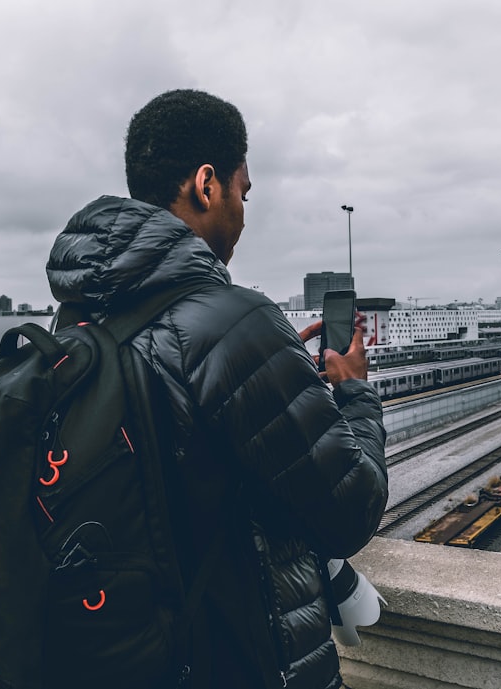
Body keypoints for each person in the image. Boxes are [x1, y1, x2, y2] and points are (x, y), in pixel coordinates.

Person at [46, 89, 388, 689]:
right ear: (207, 186)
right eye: (243, 192)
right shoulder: (233, 322)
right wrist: (353, 392)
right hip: (236, 660)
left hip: (123, 656)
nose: (244, 212)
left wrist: (281, 378)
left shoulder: (77, 325)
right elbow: (348, 509)